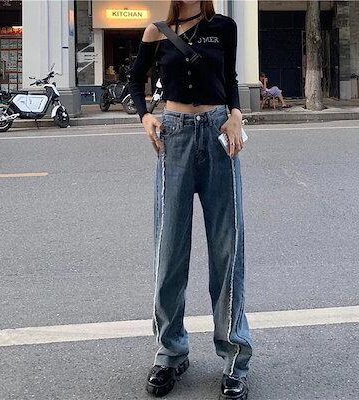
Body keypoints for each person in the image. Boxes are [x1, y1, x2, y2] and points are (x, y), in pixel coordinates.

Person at [128, 1, 253, 399]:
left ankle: (235, 357)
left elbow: (229, 78)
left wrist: (236, 114)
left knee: (227, 250)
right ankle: (171, 351)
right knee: (169, 252)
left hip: (218, 135)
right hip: (174, 136)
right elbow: (135, 79)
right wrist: (145, 116)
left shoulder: (224, 27)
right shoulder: (156, 31)